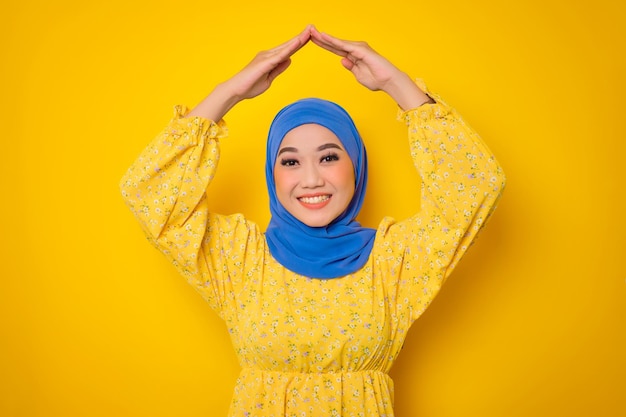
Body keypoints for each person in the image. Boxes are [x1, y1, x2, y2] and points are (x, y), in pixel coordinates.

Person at [120, 25, 505, 417]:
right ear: (273, 175)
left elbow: (475, 187)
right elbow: (148, 194)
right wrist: (229, 92)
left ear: (356, 165)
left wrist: (396, 84)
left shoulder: (394, 261)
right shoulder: (240, 257)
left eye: (329, 157)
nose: (311, 179)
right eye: (290, 162)